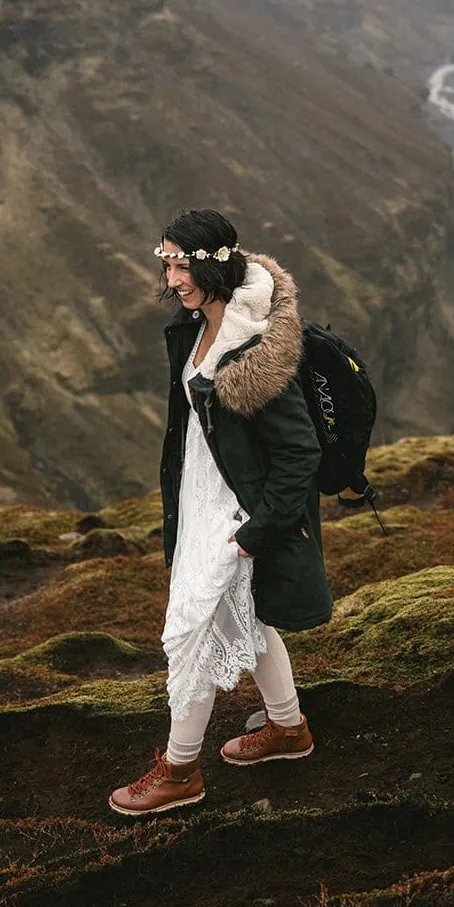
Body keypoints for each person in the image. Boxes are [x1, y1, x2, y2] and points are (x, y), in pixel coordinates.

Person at [109, 209, 333, 817]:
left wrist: (254, 536)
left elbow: (299, 452)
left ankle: (180, 769)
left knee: (196, 629)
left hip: (234, 513)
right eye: (169, 262)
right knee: (241, 623)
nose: (173, 277)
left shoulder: (253, 351)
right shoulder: (197, 324)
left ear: (214, 266)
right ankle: (288, 730)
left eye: (183, 265)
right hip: (200, 500)